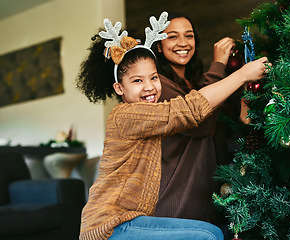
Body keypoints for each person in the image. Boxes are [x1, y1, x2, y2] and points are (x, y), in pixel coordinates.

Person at [76, 12, 270, 240]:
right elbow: (188, 110)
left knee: (213, 232)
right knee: (209, 236)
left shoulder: (153, 108)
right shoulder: (127, 115)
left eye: (154, 77)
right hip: (110, 224)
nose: (149, 87)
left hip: (134, 219)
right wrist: (241, 75)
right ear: (120, 89)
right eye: (137, 81)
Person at [151, 12, 236, 225]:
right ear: (159, 46)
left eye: (188, 36)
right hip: (176, 205)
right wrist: (218, 65)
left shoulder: (191, 85)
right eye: (172, 36)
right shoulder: (158, 86)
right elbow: (199, 122)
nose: (183, 43)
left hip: (205, 201)